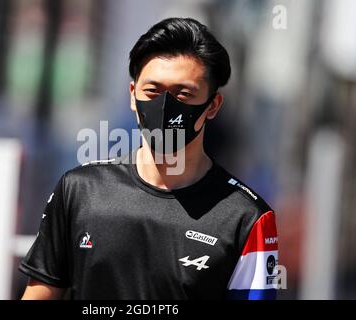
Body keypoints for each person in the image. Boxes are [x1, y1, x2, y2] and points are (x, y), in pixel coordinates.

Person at [19, 17, 279, 300]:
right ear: (133, 95)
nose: (166, 106)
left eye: (183, 94)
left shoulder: (247, 218)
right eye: (153, 91)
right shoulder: (79, 190)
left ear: (213, 105)